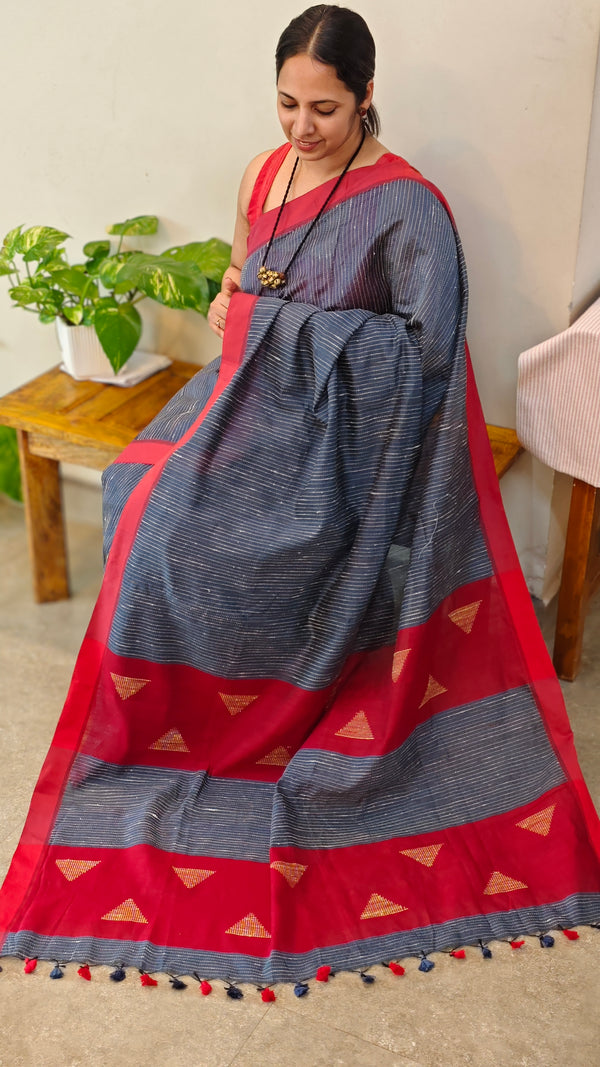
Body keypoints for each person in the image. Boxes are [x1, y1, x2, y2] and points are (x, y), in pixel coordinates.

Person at [1, 5, 599, 990]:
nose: (301, 127)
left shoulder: (410, 208)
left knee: (184, 529)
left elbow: (424, 357)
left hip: (342, 438)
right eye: (287, 103)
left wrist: (279, 327)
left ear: (367, 97)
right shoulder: (262, 172)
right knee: (137, 487)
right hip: (249, 395)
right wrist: (237, 304)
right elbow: (246, 281)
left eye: (324, 108)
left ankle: (264, 708)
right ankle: (171, 720)